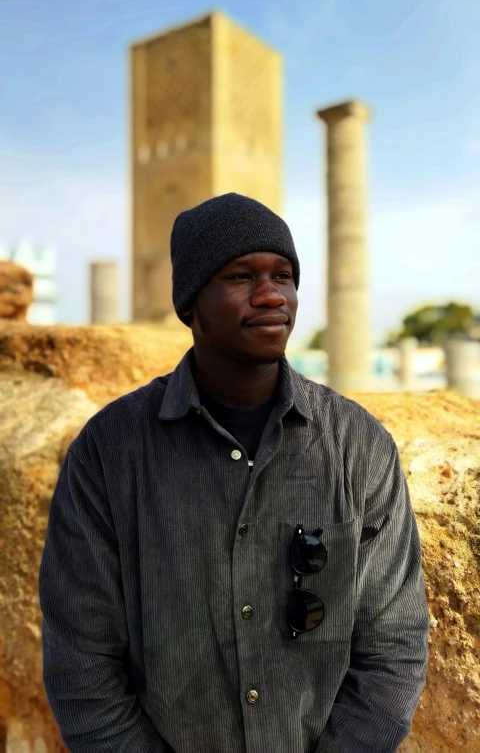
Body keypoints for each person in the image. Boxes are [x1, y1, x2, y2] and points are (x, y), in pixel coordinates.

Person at [39, 193, 429, 753]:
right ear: (190, 303)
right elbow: (82, 661)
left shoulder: (359, 447)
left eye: (284, 275)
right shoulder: (110, 452)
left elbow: (394, 645)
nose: (272, 295)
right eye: (241, 275)